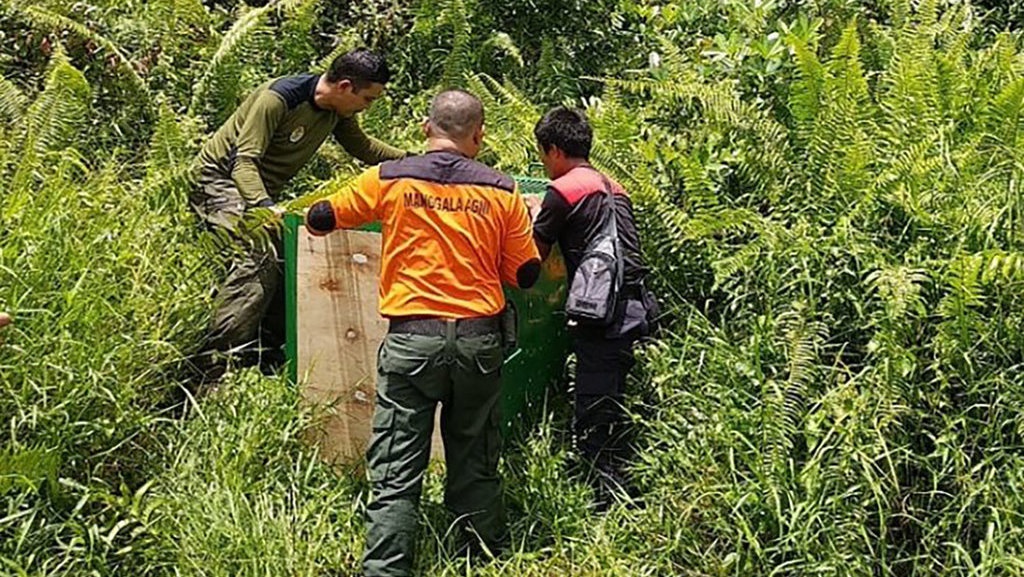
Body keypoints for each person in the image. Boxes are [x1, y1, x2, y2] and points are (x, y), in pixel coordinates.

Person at [304, 89, 541, 576]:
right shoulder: (501, 189)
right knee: (474, 453)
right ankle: (481, 558)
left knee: (395, 467)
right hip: (479, 342)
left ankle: (386, 569)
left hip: (412, 342)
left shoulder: (390, 177)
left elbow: (321, 218)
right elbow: (525, 274)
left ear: (425, 129)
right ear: (478, 136)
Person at [191, 48, 409, 378]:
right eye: (368, 99)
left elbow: (364, 149)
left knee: (291, 252)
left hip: (259, 189)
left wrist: (417, 162)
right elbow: (244, 163)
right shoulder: (277, 100)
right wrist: (264, 209)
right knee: (260, 252)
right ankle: (212, 364)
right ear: (346, 87)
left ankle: (267, 351)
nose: (368, 107)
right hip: (218, 181)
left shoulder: (338, 111)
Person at [530, 107, 653, 508]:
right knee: (614, 395)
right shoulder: (616, 187)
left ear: (554, 150)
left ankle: (605, 495)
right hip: (636, 306)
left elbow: (534, 254)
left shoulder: (564, 191)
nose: (545, 164)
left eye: (543, 155)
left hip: (602, 311)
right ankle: (619, 473)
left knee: (594, 401)